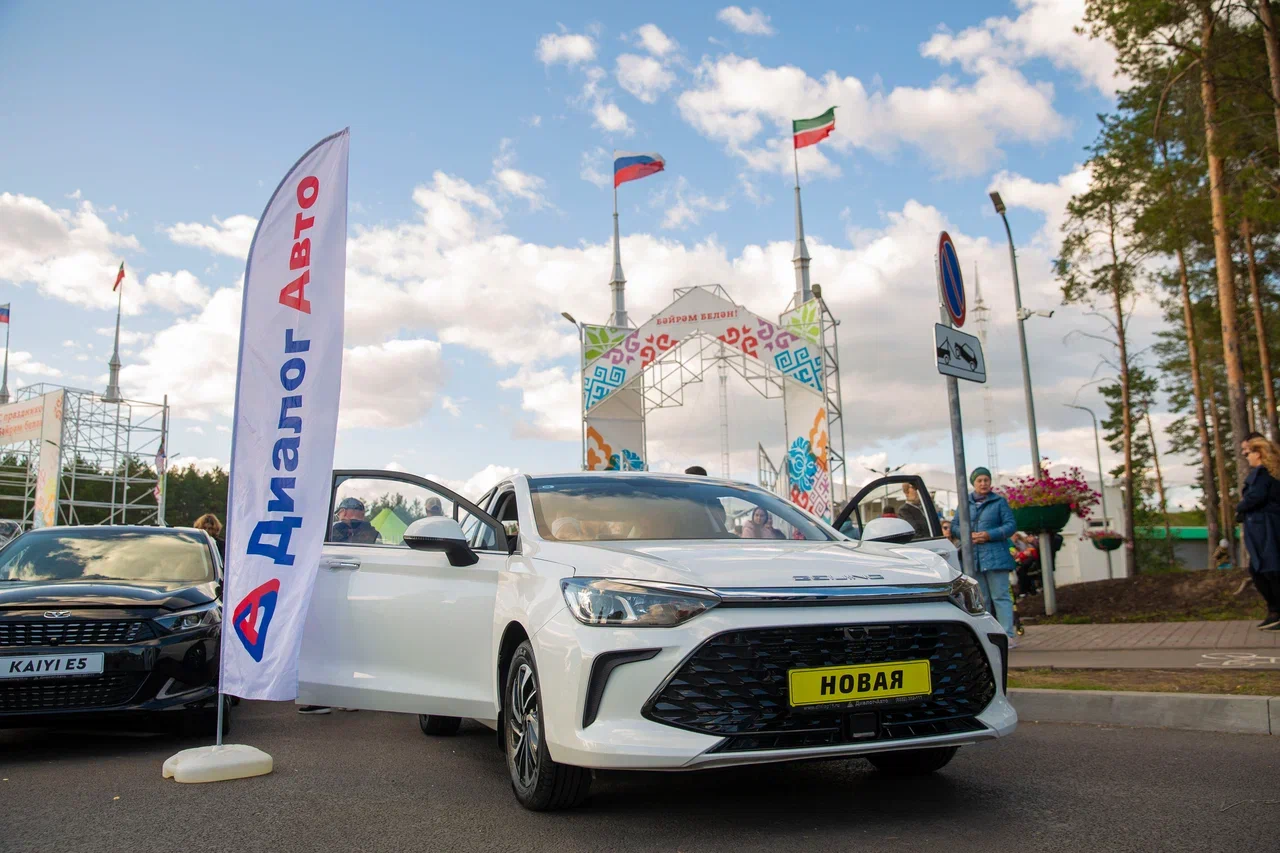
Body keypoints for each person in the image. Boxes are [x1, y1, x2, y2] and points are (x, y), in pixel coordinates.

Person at [958, 466, 1018, 644]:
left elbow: (1010, 525)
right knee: (981, 599)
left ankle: (1007, 635)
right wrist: (967, 534)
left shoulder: (999, 502)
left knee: (1000, 596)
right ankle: (987, 636)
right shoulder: (964, 503)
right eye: (979, 480)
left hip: (996, 557)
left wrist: (989, 535)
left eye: (986, 480)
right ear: (973, 483)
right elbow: (955, 525)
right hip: (974, 559)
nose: (983, 483)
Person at [1236, 437, 1280, 630]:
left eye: (1249, 452)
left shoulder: (1261, 474)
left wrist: (1240, 507)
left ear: (1258, 454)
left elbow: (1256, 496)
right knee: (1263, 569)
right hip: (1267, 525)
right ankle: (1274, 612)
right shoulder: (1272, 473)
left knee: (1266, 569)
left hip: (1264, 527)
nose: (1246, 456)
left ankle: (1276, 611)